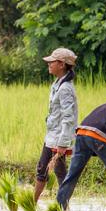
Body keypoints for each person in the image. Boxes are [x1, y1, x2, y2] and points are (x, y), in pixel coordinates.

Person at [34, 47, 78, 201]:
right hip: (52, 136)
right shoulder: (57, 84)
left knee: (54, 171)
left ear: (62, 65)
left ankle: (62, 206)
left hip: (59, 138)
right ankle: (35, 204)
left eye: (52, 61)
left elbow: (68, 117)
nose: (49, 64)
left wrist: (63, 143)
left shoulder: (65, 88)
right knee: (46, 169)